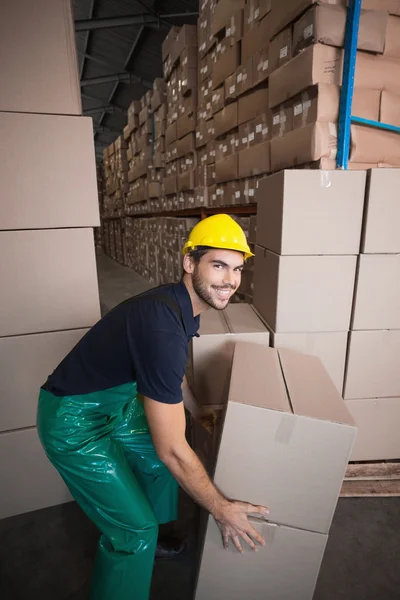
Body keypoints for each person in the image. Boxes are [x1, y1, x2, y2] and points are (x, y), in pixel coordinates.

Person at [37, 214, 269, 600]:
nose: (230, 280)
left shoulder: (184, 306)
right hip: (73, 421)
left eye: (237, 269)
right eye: (218, 265)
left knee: (155, 464)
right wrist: (221, 508)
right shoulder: (161, 325)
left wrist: (195, 410)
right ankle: (139, 536)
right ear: (189, 263)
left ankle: (153, 538)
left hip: (117, 406)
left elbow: (174, 375)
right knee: (134, 528)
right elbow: (173, 450)